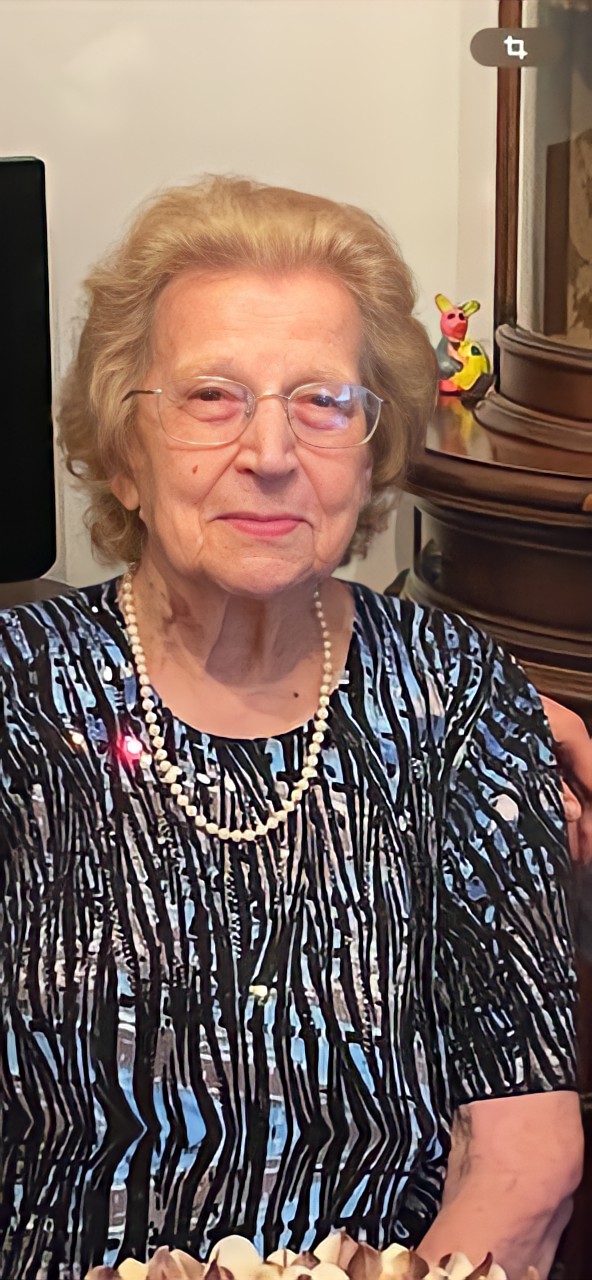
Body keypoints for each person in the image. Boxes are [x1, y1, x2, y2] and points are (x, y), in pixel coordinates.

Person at [0, 176, 585, 1280]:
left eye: (324, 401)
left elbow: (525, 1150)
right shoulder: (18, 699)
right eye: (210, 396)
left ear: (370, 450)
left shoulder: (458, 699)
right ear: (124, 451)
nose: (270, 452)